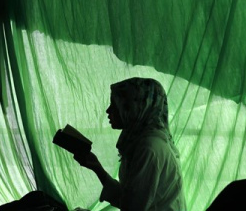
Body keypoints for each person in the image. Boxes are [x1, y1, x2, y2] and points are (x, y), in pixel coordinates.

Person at [73, 77, 186, 211]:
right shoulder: (142, 141)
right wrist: (97, 168)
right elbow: (130, 197)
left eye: (116, 105)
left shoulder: (149, 148)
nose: (108, 111)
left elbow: (132, 207)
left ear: (136, 108)